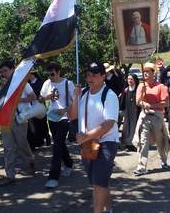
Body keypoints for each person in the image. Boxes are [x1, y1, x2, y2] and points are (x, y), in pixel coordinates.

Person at [69, 62, 120, 213]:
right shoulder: (83, 93)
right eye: (88, 75)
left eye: (94, 74)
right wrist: (75, 97)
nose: (90, 78)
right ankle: (109, 208)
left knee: (98, 182)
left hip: (106, 143)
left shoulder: (109, 95)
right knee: (98, 181)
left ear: (103, 76)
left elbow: (108, 124)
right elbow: (72, 116)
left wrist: (85, 136)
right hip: (88, 143)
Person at [0, 60, 37, 186]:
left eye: (5, 70)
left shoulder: (22, 83)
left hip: (20, 117)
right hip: (6, 119)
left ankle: (30, 159)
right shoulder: (2, 85)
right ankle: (10, 175)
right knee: (8, 147)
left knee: (21, 144)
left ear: (12, 69)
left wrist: (17, 100)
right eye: (1, 72)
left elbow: (33, 97)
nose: (4, 74)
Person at [40, 62, 75, 189]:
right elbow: (40, 98)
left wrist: (65, 109)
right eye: (48, 74)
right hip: (52, 117)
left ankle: (53, 176)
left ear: (59, 72)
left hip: (64, 118)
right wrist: (45, 97)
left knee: (57, 147)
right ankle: (69, 163)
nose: (50, 77)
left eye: (52, 74)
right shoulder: (47, 83)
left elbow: (74, 101)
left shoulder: (68, 83)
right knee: (59, 144)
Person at [132, 63, 170, 176]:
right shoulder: (141, 86)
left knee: (160, 140)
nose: (145, 73)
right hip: (145, 116)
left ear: (154, 73)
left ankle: (164, 160)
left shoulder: (161, 87)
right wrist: (143, 102)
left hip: (157, 116)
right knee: (143, 141)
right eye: (144, 71)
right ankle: (141, 166)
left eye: (148, 71)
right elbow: (138, 101)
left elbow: (166, 103)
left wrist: (151, 105)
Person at [27, 70, 51, 150]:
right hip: (31, 105)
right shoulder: (28, 83)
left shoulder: (40, 82)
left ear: (32, 74)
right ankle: (39, 141)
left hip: (39, 104)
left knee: (42, 123)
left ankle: (47, 138)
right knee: (35, 124)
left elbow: (41, 93)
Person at [119, 73, 140, 151]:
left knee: (135, 127)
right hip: (128, 111)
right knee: (127, 127)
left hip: (136, 111)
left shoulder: (138, 89)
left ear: (135, 80)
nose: (129, 81)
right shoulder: (126, 89)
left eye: (131, 79)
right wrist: (121, 109)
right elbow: (122, 101)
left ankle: (135, 144)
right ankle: (127, 144)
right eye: (128, 79)